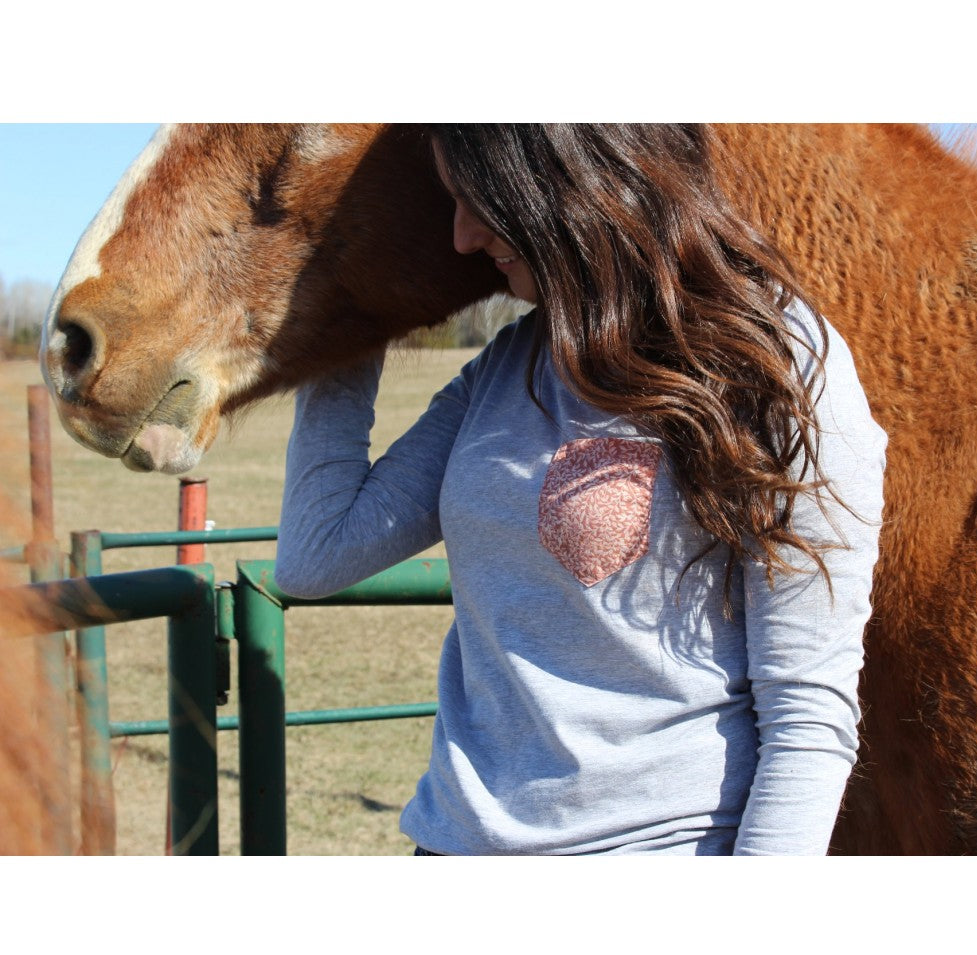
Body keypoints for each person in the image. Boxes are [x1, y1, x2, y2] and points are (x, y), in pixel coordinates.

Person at [275, 124, 887, 856]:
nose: (463, 238)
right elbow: (317, 555)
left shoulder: (778, 361)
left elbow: (808, 716)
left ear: (572, 176)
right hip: (452, 846)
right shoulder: (511, 363)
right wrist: (353, 312)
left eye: (480, 200)